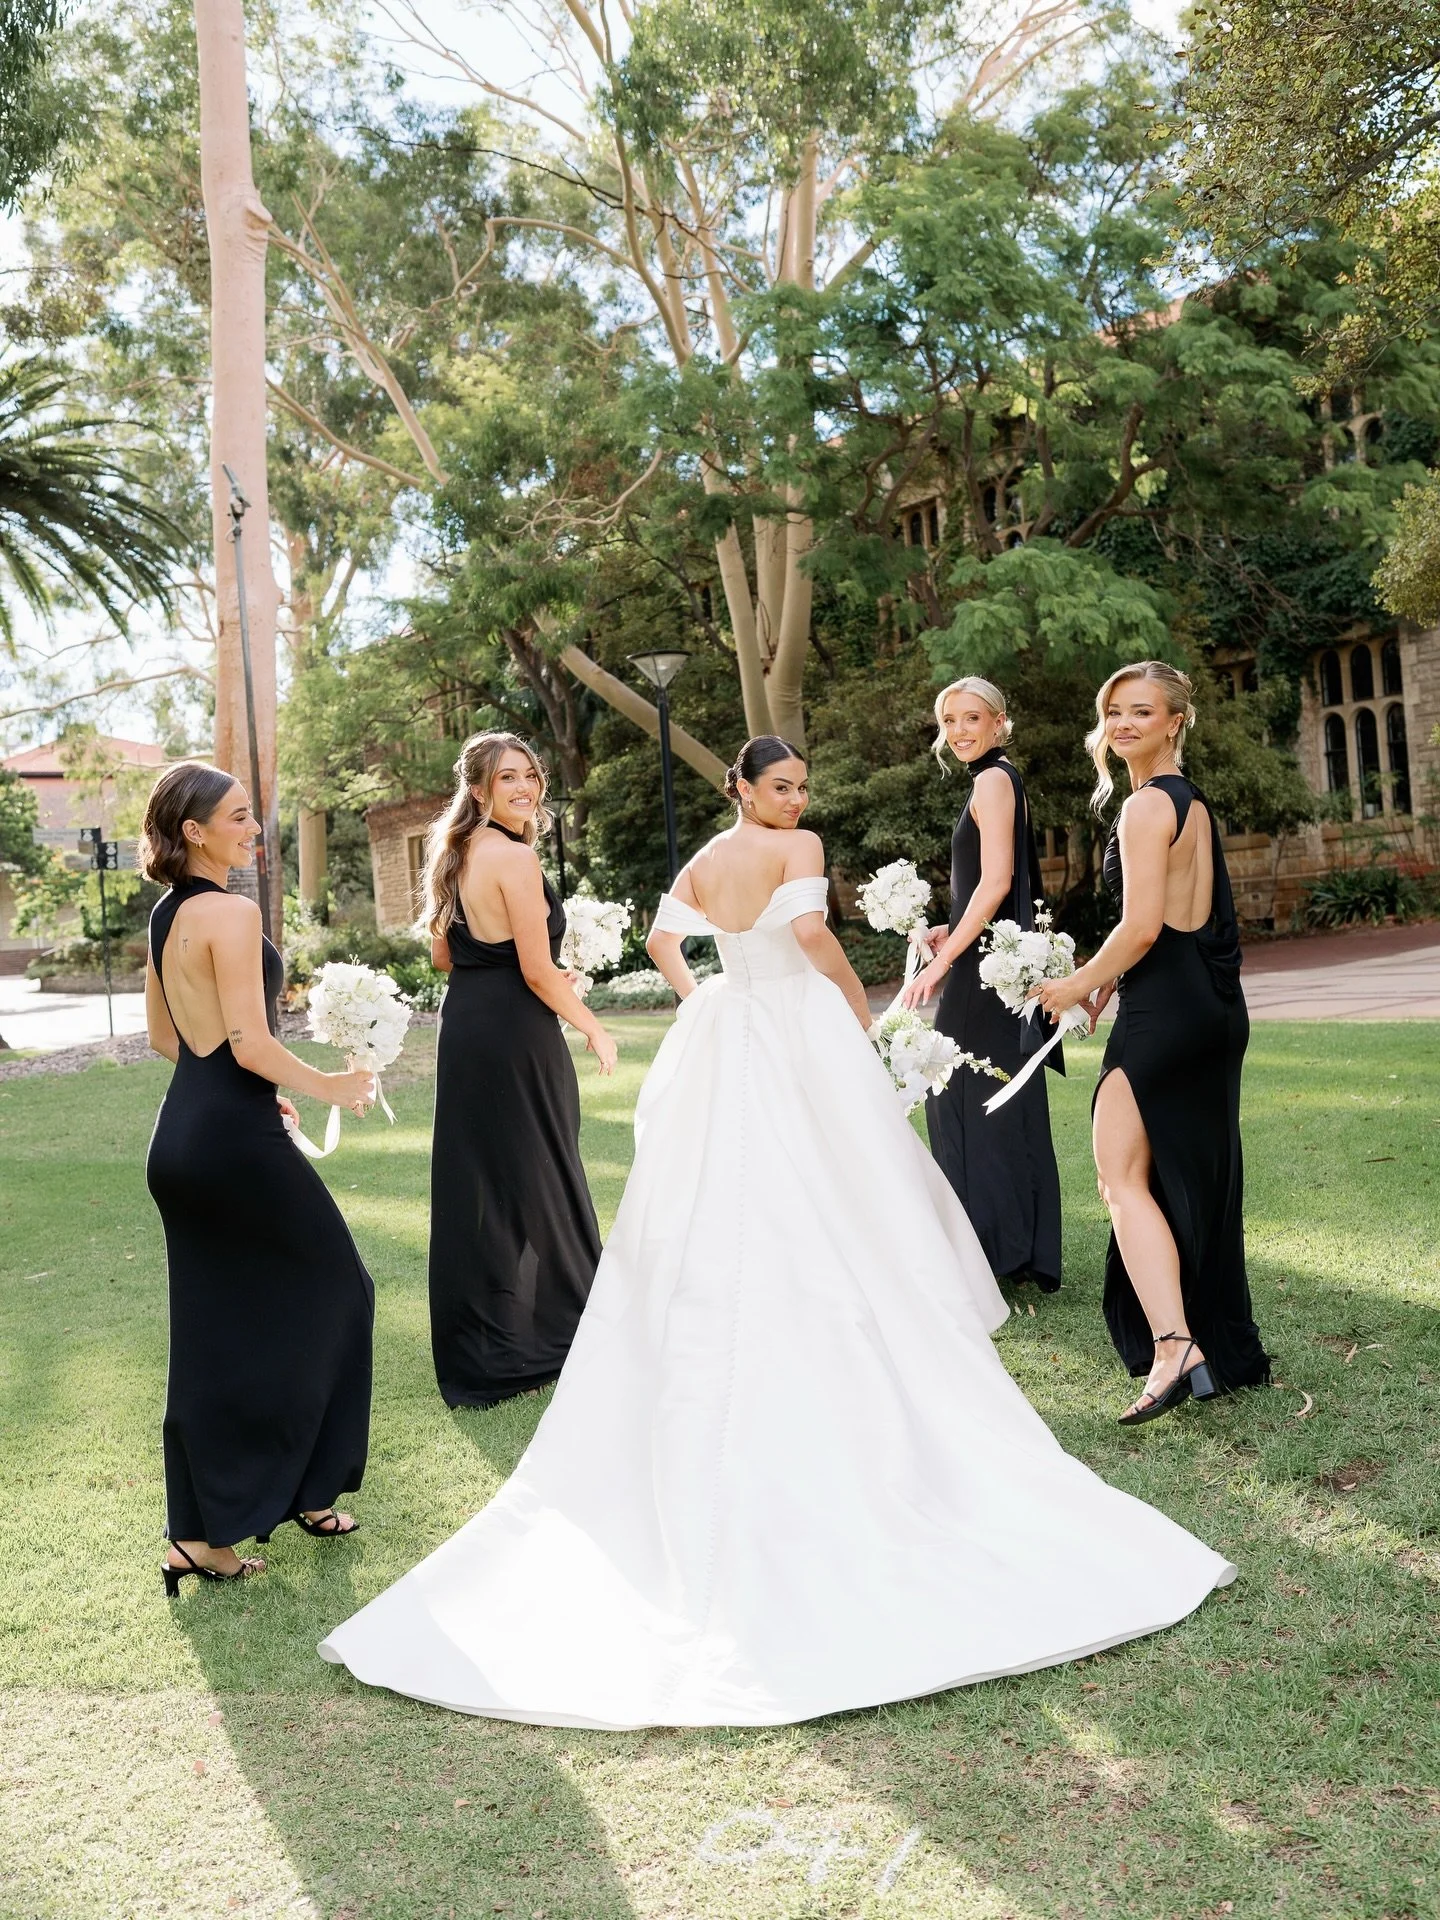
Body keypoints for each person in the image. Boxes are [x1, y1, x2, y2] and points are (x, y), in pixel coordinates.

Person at [318, 732, 1235, 1729]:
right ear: (743, 788)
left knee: (738, 1192)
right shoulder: (797, 850)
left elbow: (664, 939)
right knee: (838, 1182)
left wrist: (703, 998)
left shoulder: (710, 858)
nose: (797, 800)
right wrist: (855, 1006)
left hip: (733, 1030)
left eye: (803, 787)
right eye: (782, 785)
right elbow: (810, 936)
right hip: (797, 1025)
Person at [142, 763, 377, 1594]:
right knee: (342, 1290)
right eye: (239, 817)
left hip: (183, 1138)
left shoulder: (166, 915)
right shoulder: (232, 912)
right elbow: (248, 1042)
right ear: (195, 831)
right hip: (231, 1142)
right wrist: (328, 1086)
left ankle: (198, 1537)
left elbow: (166, 1038)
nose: (254, 828)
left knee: (215, 1335)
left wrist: (247, 1097)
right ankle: (305, 1492)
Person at [1032, 662, 1270, 1424]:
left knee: (1121, 1178)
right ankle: (1205, 1343)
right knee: (1178, 1175)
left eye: (1141, 711)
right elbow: (1165, 923)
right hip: (1208, 1005)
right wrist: (1106, 982)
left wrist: (1072, 986)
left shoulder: (1144, 807)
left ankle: (1175, 1346)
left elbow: (1140, 929)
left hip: (1164, 1013)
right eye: (1114, 712)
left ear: (1176, 721)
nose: (1124, 724)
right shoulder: (1187, 801)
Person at [423, 732, 616, 1410]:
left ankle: (493, 1340)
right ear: (479, 789)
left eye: (530, 775)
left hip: (467, 1027)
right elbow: (535, 970)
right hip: (516, 1033)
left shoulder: (455, 852)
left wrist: (531, 971)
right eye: (508, 777)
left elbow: (446, 957)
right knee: (541, 1173)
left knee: (487, 1179)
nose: (525, 787)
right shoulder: (514, 856)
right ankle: (559, 1330)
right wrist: (593, 1026)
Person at [903, 677, 1063, 1291]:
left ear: (1000, 722)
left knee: (964, 1103)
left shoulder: (993, 780)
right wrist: (953, 928)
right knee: (993, 1102)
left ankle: (992, 1254)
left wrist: (942, 963)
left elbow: (997, 882)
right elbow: (986, 888)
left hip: (979, 976)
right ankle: (1011, 1251)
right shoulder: (999, 779)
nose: (959, 730)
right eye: (949, 720)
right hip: (986, 963)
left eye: (972, 718)